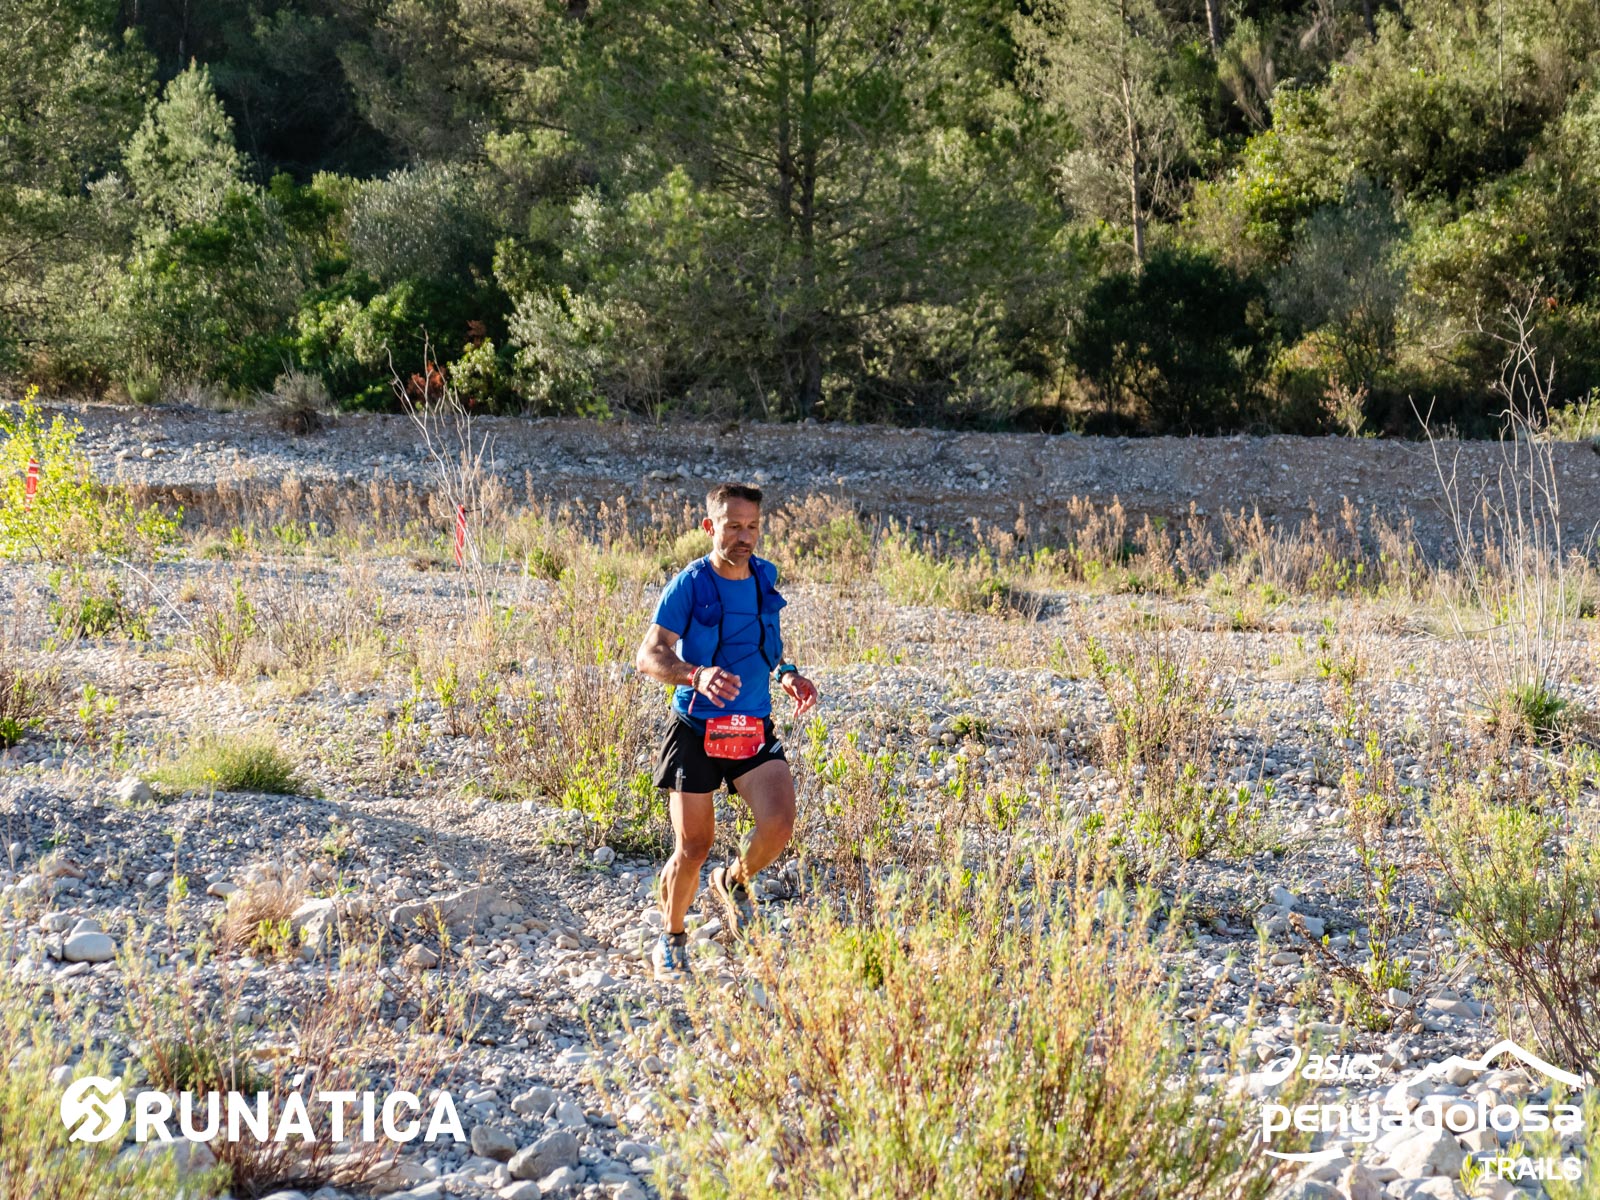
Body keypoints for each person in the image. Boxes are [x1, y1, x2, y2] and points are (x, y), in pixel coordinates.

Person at [634, 483, 819, 981]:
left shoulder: (764, 577)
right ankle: (672, 938)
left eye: (752, 526)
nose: (745, 536)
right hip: (695, 729)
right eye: (734, 526)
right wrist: (696, 674)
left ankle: (734, 882)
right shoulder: (689, 584)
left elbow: (767, 644)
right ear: (709, 527)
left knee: (779, 825)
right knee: (693, 847)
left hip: (751, 725)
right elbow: (648, 655)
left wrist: (788, 674)